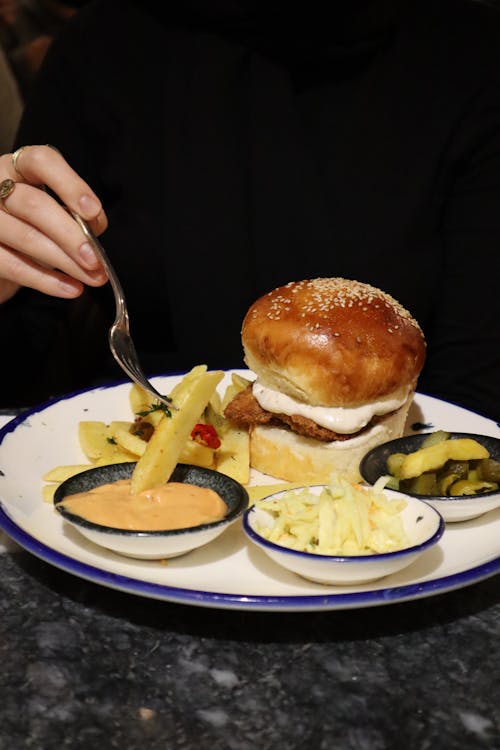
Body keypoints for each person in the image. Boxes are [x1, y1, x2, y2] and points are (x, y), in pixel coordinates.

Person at [0, 0, 499, 421]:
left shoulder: (470, 53)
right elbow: (21, 362)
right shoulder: (104, 45)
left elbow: (476, 400)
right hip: (131, 453)